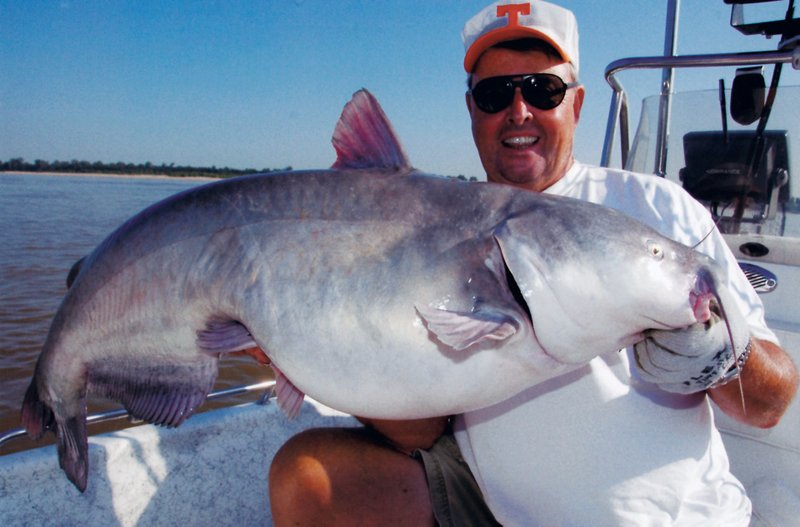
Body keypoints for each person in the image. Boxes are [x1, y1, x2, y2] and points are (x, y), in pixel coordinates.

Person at [269, 2, 799, 525]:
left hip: (679, 518)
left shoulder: (658, 209)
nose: (518, 111)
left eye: (542, 90)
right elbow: (419, 433)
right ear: (472, 108)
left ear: (577, 103)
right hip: (494, 511)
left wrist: (722, 358)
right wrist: (293, 343)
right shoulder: (426, 229)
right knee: (308, 478)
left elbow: (771, 403)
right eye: (495, 93)